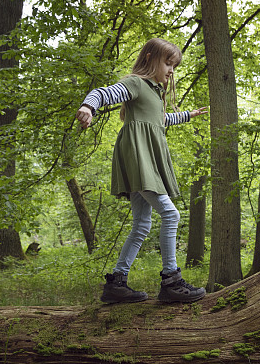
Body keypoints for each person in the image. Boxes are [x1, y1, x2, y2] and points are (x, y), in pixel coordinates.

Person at [76, 38, 209, 304]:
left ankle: (117, 283)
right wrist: (88, 107)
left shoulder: (155, 92)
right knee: (170, 214)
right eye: (168, 63)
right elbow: (103, 93)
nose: (171, 71)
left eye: (174, 66)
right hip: (140, 159)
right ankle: (172, 281)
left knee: (141, 224)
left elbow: (160, 121)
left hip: (145, 160)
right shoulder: (136, 82)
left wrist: (188, 115)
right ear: (150, 58)